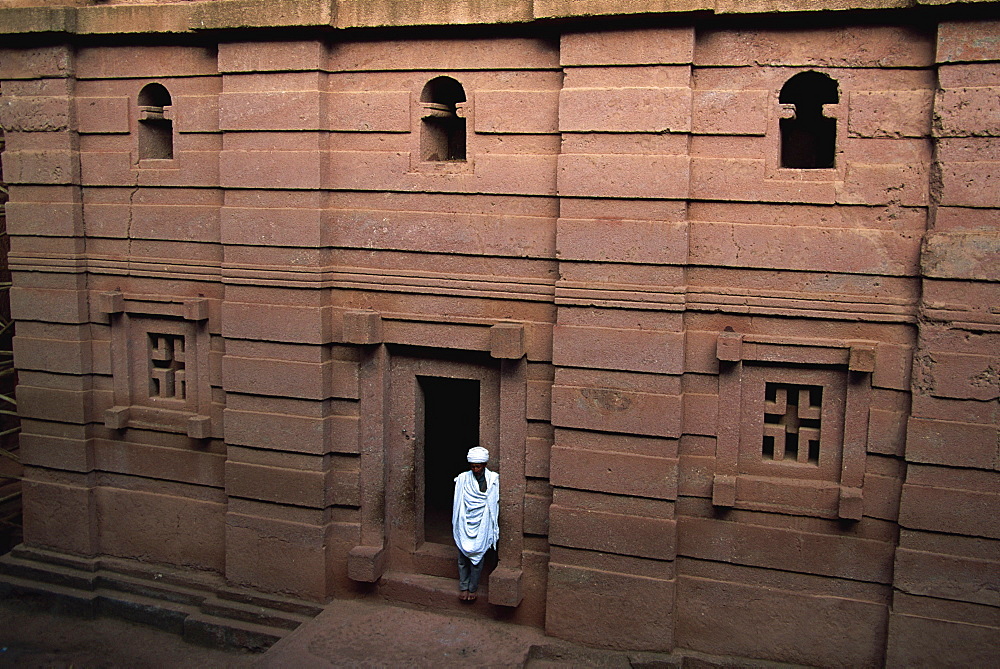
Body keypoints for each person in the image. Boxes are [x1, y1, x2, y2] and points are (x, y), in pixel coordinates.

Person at [452, 446, 499, 602]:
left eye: (478, 466)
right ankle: (463, 586)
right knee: (462, 558)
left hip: (482, 523)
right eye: (472, 466)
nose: (475, 469)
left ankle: (473, 588)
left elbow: (493, 502)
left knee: (478, 557)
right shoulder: (463, 478)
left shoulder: (492, 480)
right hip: (465, 521)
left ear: (484, 465)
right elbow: (459, 502)